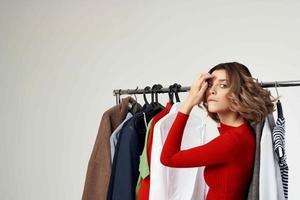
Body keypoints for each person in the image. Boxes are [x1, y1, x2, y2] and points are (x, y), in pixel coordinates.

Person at [160, 62, 275, 200]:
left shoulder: (232, 141)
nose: (212, 91)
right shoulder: (240, 132)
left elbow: (168, 157)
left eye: (223, 85)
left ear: (239, 92)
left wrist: (189, 102)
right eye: (209, 85)